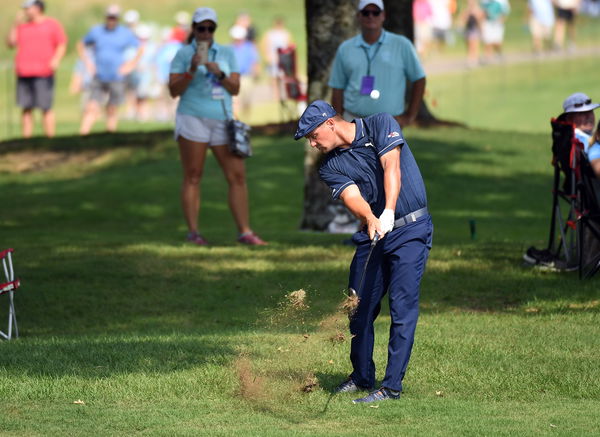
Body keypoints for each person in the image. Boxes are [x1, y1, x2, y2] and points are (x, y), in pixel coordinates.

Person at [294, 100, 432, 403]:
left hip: (410, 230)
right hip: (373, 235)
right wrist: (371, 217)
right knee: (357, 307)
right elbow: (351, 195)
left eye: (313, 136)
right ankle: (361, 376)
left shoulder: (381, 123)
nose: (313, 144)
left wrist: (390, 211)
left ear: (330, 123)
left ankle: (391, 386)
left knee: (402, 308)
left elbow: (391, 166)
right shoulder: (330, 166)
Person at [168, 7, 266, 246]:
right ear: (194, 29)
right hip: (192, 117)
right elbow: (173, 91)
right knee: (193, 175)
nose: (205, 32)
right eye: (201, 28)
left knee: (237, 176)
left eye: (210, 28)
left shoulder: (226, 52)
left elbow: (235, 88)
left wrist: (219, 73)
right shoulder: (182, 54)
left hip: (222, 119)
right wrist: (191, 70)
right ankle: (193, 232)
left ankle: (245, 231)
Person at [523, 92, 600, 269]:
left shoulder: (577, 140)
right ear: (571, 118)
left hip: (586, 196)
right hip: (594, 199)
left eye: (591, 112)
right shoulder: (584, 142)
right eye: (583, 113)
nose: (589, 116)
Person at [329, 0, 426, 128]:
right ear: (358, 16)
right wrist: (339, 122)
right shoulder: (345, 48)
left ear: (383, 15)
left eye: (375, 12)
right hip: (352, 121)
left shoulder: (402, 45)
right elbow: (337, 88)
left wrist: (410, 116)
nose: (371, 16)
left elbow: (419, 79)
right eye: (365, 12)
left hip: (390, 123)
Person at [77, 5, 142, 135]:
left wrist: (130, 65)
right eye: (110, 17)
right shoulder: (96, 31)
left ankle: (110, 132)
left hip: (117, 76)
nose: (112, 20)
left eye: (114, 17)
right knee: (92, 106)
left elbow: (140, 48)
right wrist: (88, 64)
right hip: (99, 75)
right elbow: (81, 44)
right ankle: (83, 134)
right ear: (106, 17)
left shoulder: (125, 33)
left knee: (112, 107)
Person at [6, 0, 67, 138]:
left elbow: (61, 44)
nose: (26, 11)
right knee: (26, 107)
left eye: (29, 8)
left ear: (38, 8)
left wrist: (56, 59)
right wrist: (15, 24)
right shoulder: (22, 27)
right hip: (24, 71)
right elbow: (10, 43)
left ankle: (50, 138)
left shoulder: (51, 24)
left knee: (46, 107)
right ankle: (26, 139)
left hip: (44, 72)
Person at [229, 25, 260, 121]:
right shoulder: (229, 48)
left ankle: (246, 119)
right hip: (234, 77)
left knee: (247, 100)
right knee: (235, 100)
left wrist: (256, 72)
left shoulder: (249, 47)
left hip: (247, 77)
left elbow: (254, 61)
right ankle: (236, 119)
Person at [260, 16, 293, 101]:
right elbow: (264, 45)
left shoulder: (286, 33)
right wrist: (267, 56)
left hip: (283, 59)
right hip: (273, 59)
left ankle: (283, 94)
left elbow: (290, 45)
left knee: (282, 78)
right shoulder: (270, 34)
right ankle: (275, 95)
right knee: (273, 78)